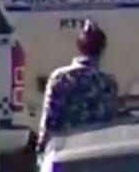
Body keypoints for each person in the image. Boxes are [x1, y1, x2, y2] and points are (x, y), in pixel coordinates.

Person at [36, 20, 120, 153]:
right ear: (102, 49)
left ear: (79, 47)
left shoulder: (60, 77)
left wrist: (42, 148)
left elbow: (50, 119)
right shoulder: (106, 83)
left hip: (65, 150)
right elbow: (112, 121)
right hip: (97, 150)